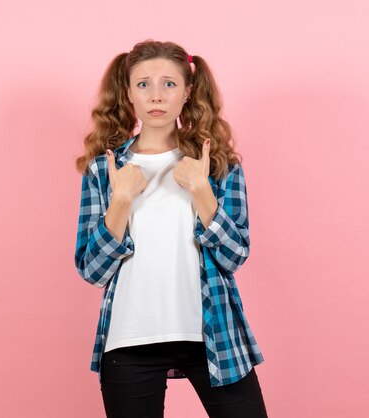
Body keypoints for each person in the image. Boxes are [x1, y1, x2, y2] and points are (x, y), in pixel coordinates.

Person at [74, 39, 268, 418]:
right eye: (144, 84)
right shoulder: (104, 170)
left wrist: (200, 190)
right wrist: (121, 201)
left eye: (169, 83)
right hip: (130, 337)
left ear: (187, 92)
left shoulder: (217, 164)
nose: (156, 95)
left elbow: (235, 255)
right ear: (128, 93)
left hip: (212, 333)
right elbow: (91, 271)